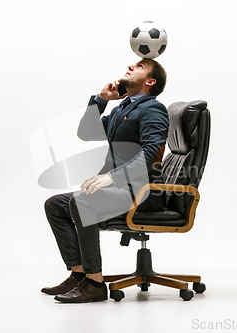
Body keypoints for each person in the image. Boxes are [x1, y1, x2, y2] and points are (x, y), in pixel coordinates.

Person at [42, 59, 169, 303]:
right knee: (55, 205)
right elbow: (86, 133)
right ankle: (79, 274)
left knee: (81, 201)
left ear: (150, 82)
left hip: (143, 192)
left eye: (140, 66)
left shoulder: (152, 109)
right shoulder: (122, 109)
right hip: (122, 189)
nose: (131, 66)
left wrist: (113, 177)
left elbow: (152, 152)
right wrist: (101, 100)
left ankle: (94, 283)